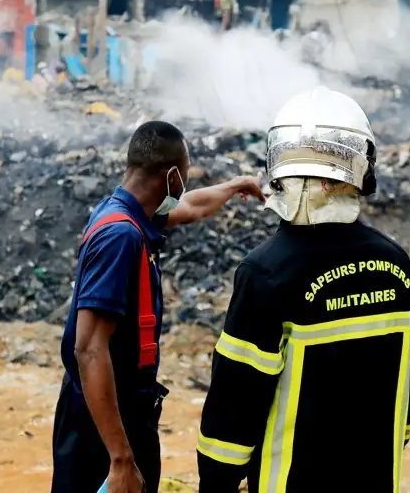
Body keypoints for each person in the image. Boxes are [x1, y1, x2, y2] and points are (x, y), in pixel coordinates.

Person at [196, 87, 410, 492]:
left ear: (277, 168)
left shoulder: (266, 271)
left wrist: (217, 481)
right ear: (362, 168)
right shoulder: (395, 266)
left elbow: (235, 402)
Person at [52, 120, 264, 493]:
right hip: (102, 424)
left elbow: (193, 206)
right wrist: (120, 458)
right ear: (170, 177)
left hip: (118, 413)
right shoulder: (121, 237)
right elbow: (88, 348)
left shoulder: (127, 212)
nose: (184, 186)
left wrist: (233, 186)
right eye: (183, 175)